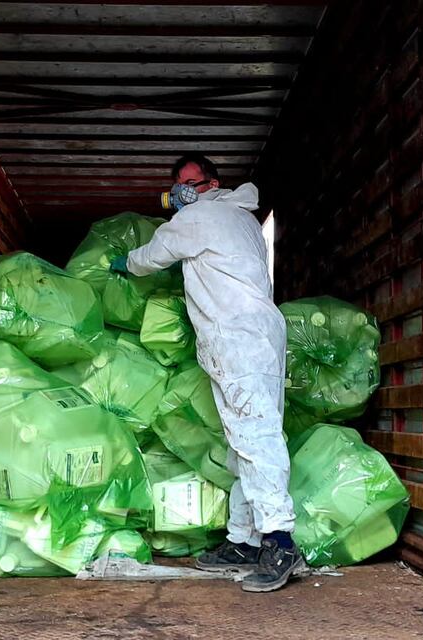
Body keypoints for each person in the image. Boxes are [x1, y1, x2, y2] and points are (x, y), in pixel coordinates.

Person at [110, 154, 301, 593]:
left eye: (192, 182)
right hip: (253, 334)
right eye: (178, 184)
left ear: (212, 184)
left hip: (237, 335)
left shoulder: (202, 214)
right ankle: (243, 540)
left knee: (255, 436)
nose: (183, 191)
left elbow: (151, 257)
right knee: (243, 440)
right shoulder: (242, 218)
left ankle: (279, 540)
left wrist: (123, 264)